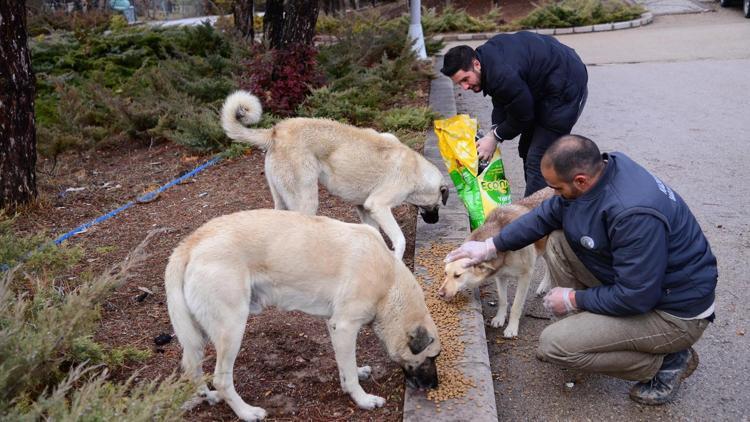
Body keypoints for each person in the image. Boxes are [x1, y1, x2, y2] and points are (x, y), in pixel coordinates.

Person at [444, 135, 717, 405]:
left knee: (554, 345)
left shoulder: (633, 214)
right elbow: (544, 215)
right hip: (643, 283)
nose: (554, 194)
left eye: (557, 188)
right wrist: (490, 246)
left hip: (674, 312)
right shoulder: (603, 170)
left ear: (580, 181)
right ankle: (588, 336)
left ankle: (668, 361)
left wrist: (573, 299)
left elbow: (637, 296)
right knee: (559, 241)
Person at [441, 32, 588, 197]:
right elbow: (503, 99)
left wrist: (495, 137)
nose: (465, 87)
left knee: (538, 157)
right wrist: (494, 130)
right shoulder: (488, 59)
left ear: (476, 64)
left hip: (566, 86)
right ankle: (548, 203)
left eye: (465, 79)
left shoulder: (502, 73)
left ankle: (536, 216)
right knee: (526, 149)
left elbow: (523, 116)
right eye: (459, 83)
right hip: (544, 85)